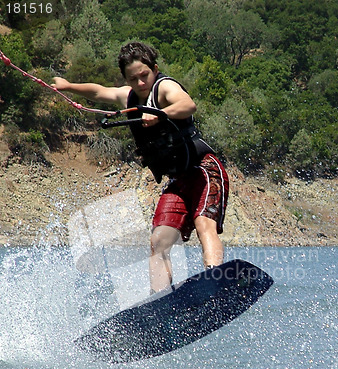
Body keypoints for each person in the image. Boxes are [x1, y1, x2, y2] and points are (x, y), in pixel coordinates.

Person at [53, 41, 229, 293]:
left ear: (154, 69)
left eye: (144, 75)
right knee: (158, 242)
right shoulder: (130, 96)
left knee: (204, 226)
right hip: (177, 181)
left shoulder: (165, 87)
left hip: (203, 170)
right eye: (133, 79)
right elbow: (99, 91)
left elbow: (188, 105)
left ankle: (215, 280)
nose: (140, 83)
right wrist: (68, 86)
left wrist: (162, 113)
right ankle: (160, 303)